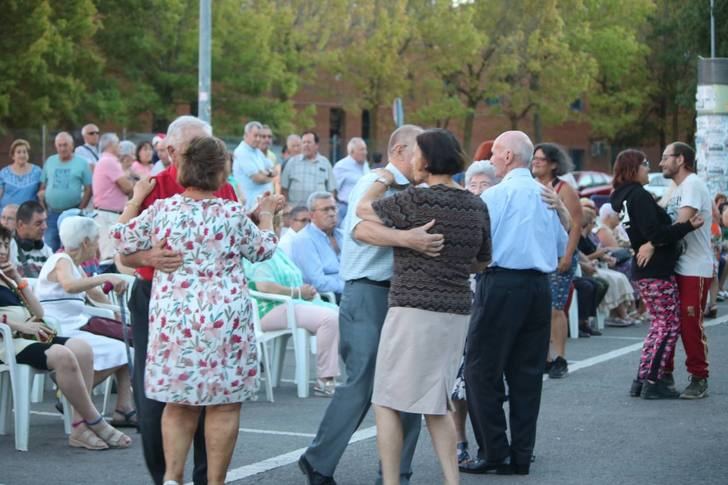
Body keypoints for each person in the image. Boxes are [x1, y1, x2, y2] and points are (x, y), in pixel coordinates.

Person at [111, 135, 280, 485]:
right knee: (225, 403)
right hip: (225, 322)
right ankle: (214, 482)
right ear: (221, 174)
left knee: (177, 401)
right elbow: (263, 249)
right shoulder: (232, 214)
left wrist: (137, 197)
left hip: (176, 321)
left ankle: (173, 478)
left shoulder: (163, 210)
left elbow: (121, 239)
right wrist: (267, 216)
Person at [299, 125, 444, 485]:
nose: (424, 159)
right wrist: (407, 240)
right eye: (418, 151)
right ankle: (319, 462)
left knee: (407, 387)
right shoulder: (375, 183)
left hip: (401, 296)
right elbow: (360, 230)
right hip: (369, 292)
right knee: (361, 385)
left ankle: (397, 475)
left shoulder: (411, 188)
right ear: (398, 150)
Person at [357, 128, 491, 485]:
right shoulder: (477, 204)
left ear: (427, 160)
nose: (413, 160)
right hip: (457, 310)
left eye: (417, 154)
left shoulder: (415, 200)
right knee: (437, 401)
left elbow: (361, 209)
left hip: (412, 307)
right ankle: (452, 479)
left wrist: (383, 178)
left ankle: (390, 481)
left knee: (385, 399)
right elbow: (482, 261)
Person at [461, 131, 568, 476]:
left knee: (479, 369)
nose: (491, 159)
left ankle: (495, 450)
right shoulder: (546, 196)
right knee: (526, 375)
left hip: (500, 283)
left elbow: (475, 246)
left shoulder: (496, 194)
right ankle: (521, 453)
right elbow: (559, 246)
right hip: (538, 286)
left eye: (494, 153)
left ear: (508, 156)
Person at [0, 224, 131, 450]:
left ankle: (79, 427)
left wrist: (18, 280)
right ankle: (94, 422)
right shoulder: (61, 260)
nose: (3, 250)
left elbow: (39, 313)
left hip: (31, 334)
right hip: (10, 341)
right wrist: (17, 325)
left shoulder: (8, 277)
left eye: (4, 244)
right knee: (62, 354)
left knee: (81, 348)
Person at [610, 149, 704, 399]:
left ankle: (641, 379)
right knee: (668, 325)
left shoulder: (623, 197)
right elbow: (657, 234)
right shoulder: (638, 195)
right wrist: (687, 226)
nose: (649, 167)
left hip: (646, 269)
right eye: (645, 164)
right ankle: (653, 381)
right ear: (633, 168)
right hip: (656, 269)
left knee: (658, 326)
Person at [34, 216, 136, 425]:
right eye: (97, 239)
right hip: (62, 330)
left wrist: (114, 310)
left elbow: (96, 294)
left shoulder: (73, 263)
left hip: (75, 326)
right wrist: (105, 278)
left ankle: (123, 409)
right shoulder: (61, 260)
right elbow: (70, 286)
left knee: (126, 345)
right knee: (124, 350)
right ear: (86, 242)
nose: (98, 245)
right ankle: (71, 393)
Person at [646, 142, 713, 399]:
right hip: (675, 265)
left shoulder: (693, 184)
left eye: (665, 158)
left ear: (681, 159)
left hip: (694, 267)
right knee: (668, 322)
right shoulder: (675, 188)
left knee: (689, 324)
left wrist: (652, 242)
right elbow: (661, 220)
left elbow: (678, 225)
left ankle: (699, 377)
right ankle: (665, 373)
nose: (661, 163)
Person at [452, 159, 498, 466]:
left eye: (485, 184)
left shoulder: (501, 214)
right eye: (473, 184)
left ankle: (493, 442)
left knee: (486, 379)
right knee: (458, 381)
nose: (479, 190)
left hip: (493, 300)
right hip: (461, 302)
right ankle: (460, 442)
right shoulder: (461, 215)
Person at [245, 246, 340, 396]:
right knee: (328, 318)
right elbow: (263, 285)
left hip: (287, 304)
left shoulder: (277, 250)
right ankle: (325, 379)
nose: (275, 226)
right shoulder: (257, 249)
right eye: (271, 222)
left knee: (339, 313)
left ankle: (357, 375)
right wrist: (297, 292)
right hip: (267, 308)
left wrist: (303, 292)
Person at [531, 143, 583, 379]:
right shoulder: (531, 187)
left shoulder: (564, 189)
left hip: (560, 257)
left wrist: (568, 255)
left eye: (541, 159)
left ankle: (560, 357)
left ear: (553, 164)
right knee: (540, 309)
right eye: (534, 158)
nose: (536, 162)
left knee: (555, 308)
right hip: (540, 257)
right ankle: (546, 357)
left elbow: (575, 225)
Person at [38, 132, 93, 251]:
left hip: (71, 213)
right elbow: (42, 186)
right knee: (50, 246)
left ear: (72, 146)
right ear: (56, 146)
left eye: (65, 145)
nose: (62, 148)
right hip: (52, 214)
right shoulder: (50, 161)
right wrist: (43, 208)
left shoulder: (81, 163)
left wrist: (80, 209)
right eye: (60, 145)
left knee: (71, 247)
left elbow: (89, 189)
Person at [290, 192, 344, 301]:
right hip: (326, 297)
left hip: (349, 291)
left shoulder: (343, 235)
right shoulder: (304, 240)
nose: (332, 213)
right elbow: (317, 282)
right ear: (311, 215)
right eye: (325, 210)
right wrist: (349, 285)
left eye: (334, 208)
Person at [92, 133, 135, 261]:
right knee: (109, 255)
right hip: (108, 215)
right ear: (111, 145)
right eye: (117, 143)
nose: (120, 147)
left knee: (111, 253)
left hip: (108, 214)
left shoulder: (106, 160)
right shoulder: (109, 161)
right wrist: (137, 186)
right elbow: (127, 187)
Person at [280, 131, 336, 206]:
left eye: (309, 142)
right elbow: (284, 188)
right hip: (295, 211)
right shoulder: (292, 162)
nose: (306, 145)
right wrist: (286, 206)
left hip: (318, 211)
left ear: (316, 145)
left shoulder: (325, 163)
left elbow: (331, 190)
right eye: (304, 142)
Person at [234, 121, 275, 210]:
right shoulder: (242, 152)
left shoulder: (256, 151)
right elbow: (257, 179)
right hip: (250, 206)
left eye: (260, 136)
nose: (258, 139)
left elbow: (273, 169)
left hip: (260, 205)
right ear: (246, 135)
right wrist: (270, 177)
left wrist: (265, 173)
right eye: (255, 136)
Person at [11, 201, 53, 278]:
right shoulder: (7, 247)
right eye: (38, 223)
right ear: (21, 225)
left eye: (45, 221)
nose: (45, 227)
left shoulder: (47, 250)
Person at [333, 137, 369, 225]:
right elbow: (333, 189)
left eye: (365, 149)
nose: (365, 152)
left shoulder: (365, 165)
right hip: (345, 209)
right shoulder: (341, 166)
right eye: (362, 150)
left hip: (362, 209)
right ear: (352, 152)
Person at [0, 139, 43, 211]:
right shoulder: (4, 172)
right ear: (13, 155)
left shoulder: (37, 171)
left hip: (29, 215)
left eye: (24, 152)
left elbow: (42, 191)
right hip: (7, 216)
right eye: (18, 152)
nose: (22, 155)